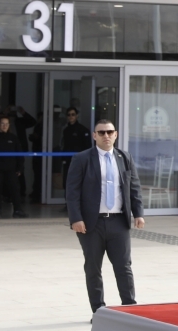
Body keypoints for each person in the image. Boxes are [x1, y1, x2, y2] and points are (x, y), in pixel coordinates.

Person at [65, 119, 145, 313]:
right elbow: (72, 191)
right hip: (92, 224)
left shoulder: (124, 157)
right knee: (93, 269)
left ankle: (130, 309)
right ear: (94, 136)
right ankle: (99, 311)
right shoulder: (82, 159)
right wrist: (76, 218)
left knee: (123, 267)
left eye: (109, 132)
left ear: (115, 134)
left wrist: (138, 213)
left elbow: (134, 187)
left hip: (119, 222)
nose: (106, 136)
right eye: (101, 133)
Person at [0, 115, 27, 218]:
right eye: (2, 124)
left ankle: (18, 210)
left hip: (11, 169)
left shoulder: (13, 138)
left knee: (15, 189)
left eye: (6, 124)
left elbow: (19, 154)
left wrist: (20, 168)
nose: (5, 126)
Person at [61, 106, 92, 191]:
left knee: (78, 182)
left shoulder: (83, 130)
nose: (71, 116)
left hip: (79, 161)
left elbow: (87, 147)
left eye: (73, 114)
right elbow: (65, 145)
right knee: (67, 182)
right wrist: (63, 158)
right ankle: (68, 203)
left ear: (77, 115)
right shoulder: (66, 130)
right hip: (68, 160)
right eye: (69, 115)